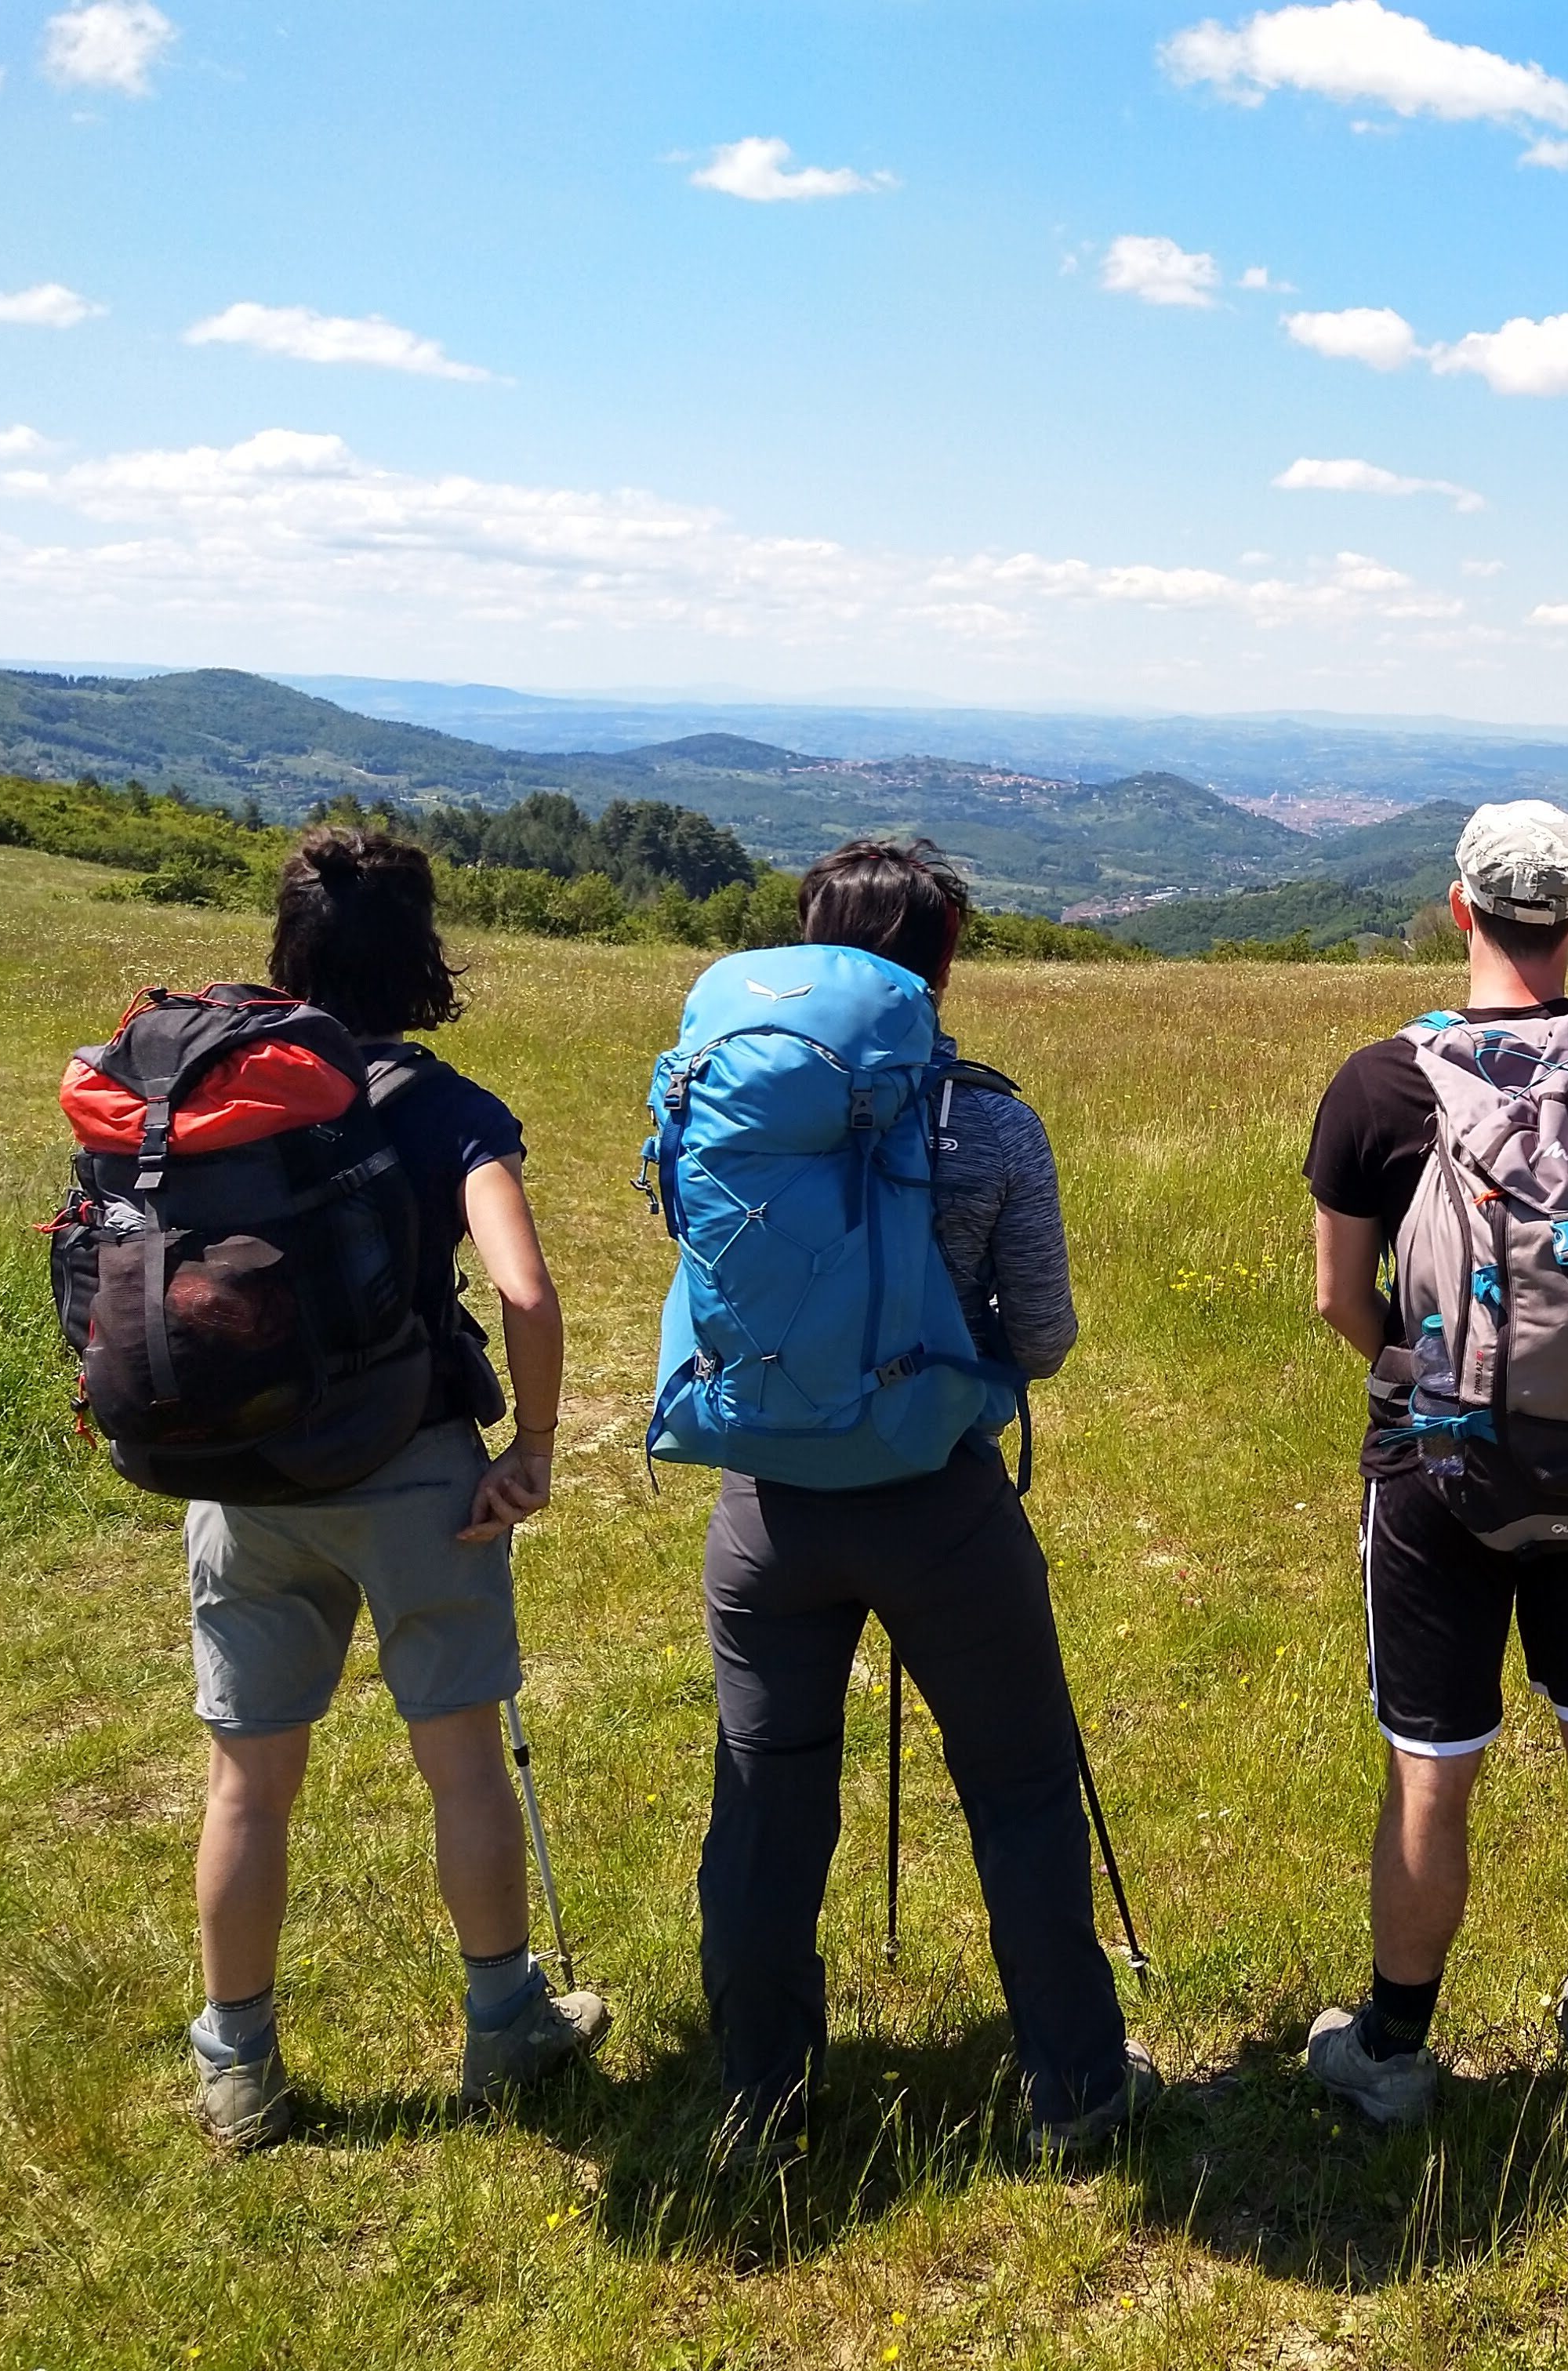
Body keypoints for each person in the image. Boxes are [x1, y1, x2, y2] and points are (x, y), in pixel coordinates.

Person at [692, 837, 1152, 2166]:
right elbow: (1048, 1334)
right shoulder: (991, 1122)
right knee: (1018, 1790)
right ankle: (1077, 2092)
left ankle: (763, 2102)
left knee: (766, 1798)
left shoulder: (733, 1107)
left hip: (768, 1507)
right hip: (939, 1502)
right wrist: (968, 1359)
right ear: (943, 963)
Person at [184, 828, 606, 2148]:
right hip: (416, 1468)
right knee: (461, 1760)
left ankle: (239, 2066)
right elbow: (524, 1290)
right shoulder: (444, 1106)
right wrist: (529, 1449)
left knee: (248, 1784)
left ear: (290, 944)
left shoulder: (219, 1089)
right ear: (418, 949)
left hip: (243, 1472)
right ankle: (505, 2024)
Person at [1299, 801, 1568, 2123]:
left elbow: (1338, 1299)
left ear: (1460, 908)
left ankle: (1397, 2050)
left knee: (1435, 1763)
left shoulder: (1383, 1082)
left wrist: (1420, 1374)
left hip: (1443, 1469)